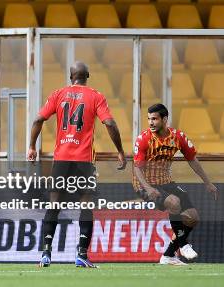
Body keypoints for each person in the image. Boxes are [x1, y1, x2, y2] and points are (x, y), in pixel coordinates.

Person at [27, 61, 126, 268]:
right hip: (84, 161)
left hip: (61, 158)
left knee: (54, 204)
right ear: (87, 75)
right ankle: (81, 254)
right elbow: (109, 123)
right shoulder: (96, 96)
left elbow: (38, 120)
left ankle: (45, 253)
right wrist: (119, 151)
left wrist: (31, 147)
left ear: (70, 76)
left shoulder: (58, 94)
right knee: (86, 206)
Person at [133, 103, 218, 266]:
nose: (151, 122)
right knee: (174, 202)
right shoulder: (144, 139)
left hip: (166, 182)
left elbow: (192, 159)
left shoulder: (178, 137)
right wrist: (149, 188)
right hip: (143, 184)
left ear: (165, 119)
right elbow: (137, 168)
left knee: (193, 217)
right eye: (149, 119)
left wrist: (208, 182)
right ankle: (184, 245)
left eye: (154, 119)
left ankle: (168, 255)